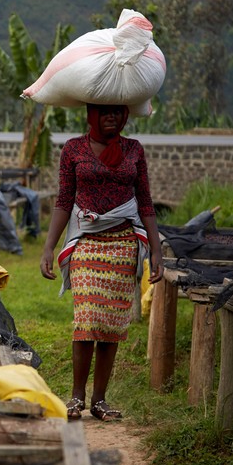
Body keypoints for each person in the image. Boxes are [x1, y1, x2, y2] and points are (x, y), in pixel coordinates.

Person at [40, 103, 164, 423]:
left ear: (124, 115)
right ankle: (76, 397)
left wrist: (157, 250)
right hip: (86, 242)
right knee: (86, 319)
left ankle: (99, 400)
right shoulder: (74, 150)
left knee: (111, 325)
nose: (111, 117)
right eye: (104, 112)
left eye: (117, 112)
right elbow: (65, 200)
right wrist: (48, 247)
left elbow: (145, 202)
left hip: (124, 244)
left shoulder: (133, 150)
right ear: (91, 115)